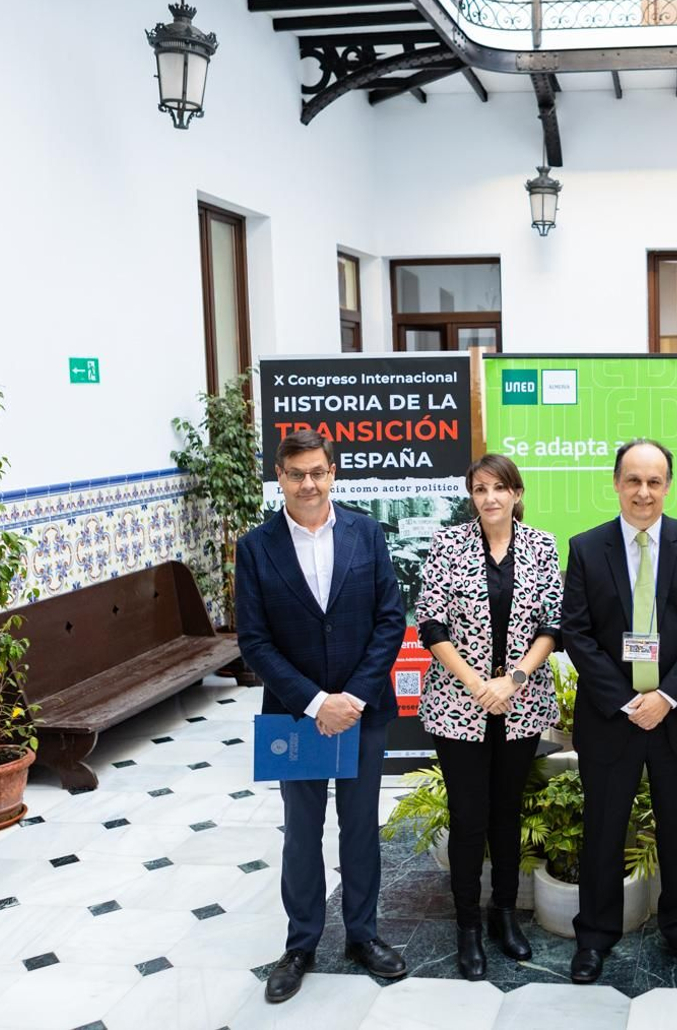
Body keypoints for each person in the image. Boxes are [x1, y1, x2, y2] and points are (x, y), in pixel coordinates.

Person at [235, 430, 408, 1003]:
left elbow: (390, 618)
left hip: (363, 710)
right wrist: (315, 703)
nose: (308, 483)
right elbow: (254, 641)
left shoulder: (366, 531)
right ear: (279, 477)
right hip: (295, 714)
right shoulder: (256, 548)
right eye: (295, 474)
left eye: (318, 472)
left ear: (333, 472)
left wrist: (352, 698)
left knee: (360, 828)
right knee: (302, 833)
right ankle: (301, 943)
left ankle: (363, 935)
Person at [561, 438, 677, 985]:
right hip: (613, 716)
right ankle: (595, 937)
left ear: (668, 486)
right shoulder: (587, 548)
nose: (643, 492)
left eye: (654, 481)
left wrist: (666, 697)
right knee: (605, 831)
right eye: (633, 480)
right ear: (616, 483)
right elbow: (578, 635)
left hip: (675, 715)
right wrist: (628, 700)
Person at [415, 453, 562, 980]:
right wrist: (479, 685)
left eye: (500, 487)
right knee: (469, 817)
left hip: (520, 704)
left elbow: (552, 623)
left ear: (516, 493)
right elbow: (430, 624)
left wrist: (514, 680)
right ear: (471, 496)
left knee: (507, 812)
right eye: (480, 489)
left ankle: (504, 915)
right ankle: (468, 927)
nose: (490, 497)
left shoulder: (542, 545)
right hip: (459, 705)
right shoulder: (447, 544)